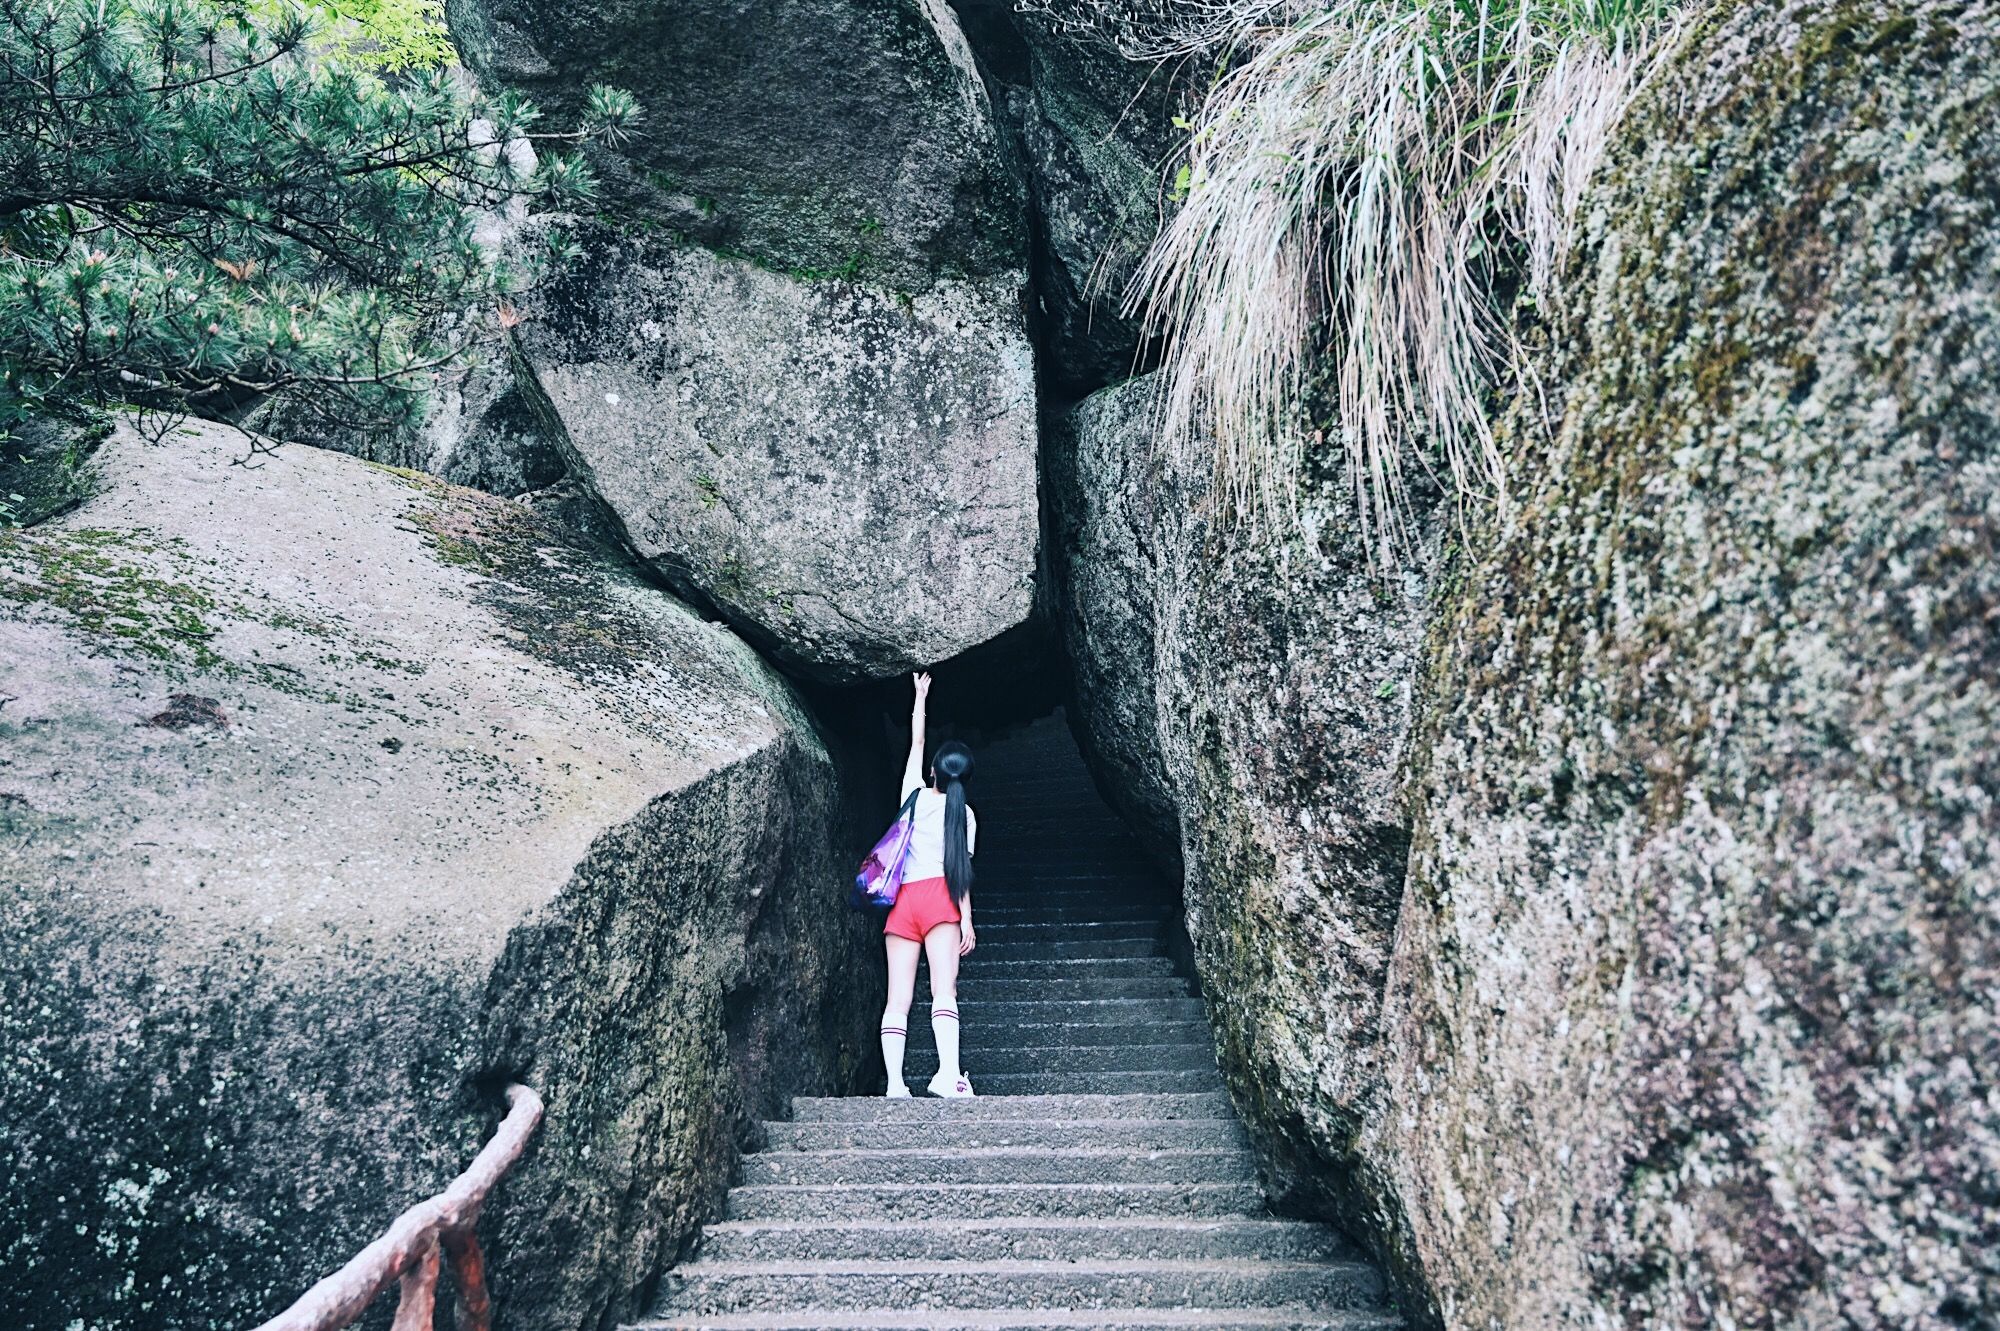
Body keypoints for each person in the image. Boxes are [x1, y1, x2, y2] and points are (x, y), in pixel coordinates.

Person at [880, 671, 978, 1098]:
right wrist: (967, 921)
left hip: (903, 902)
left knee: (897, 998)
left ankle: (896, 1085)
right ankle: (948, 1076)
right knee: (944, 991)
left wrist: (920, 698)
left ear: (934, 771)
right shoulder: (966, 816)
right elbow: (961, 874)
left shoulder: (913, 794)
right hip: (942, 902)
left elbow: (915, 745)